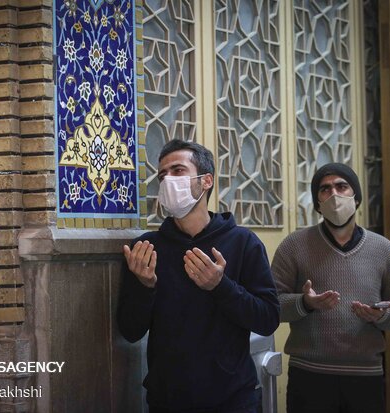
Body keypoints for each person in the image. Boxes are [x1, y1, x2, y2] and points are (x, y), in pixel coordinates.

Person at [118, 139, 280, 413]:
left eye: (178, 170)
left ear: (206, 181)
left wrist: (220, 286)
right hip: (167, 400)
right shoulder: (146, 249)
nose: (168, 179)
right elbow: (130, 331)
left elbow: (267, 319)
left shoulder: (243, 243)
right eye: (162, 175)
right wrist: (145, 287)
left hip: (233, 399)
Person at [271, 163, 390, 413]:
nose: (334, 195)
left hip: (365, 376)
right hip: (309, 375)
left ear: (356, 197)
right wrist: (305, 303)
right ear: (317, 203)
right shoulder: (294, 246)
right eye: (325, 189)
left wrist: (382, 315)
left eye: (342, 186)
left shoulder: (383, 249)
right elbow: (271, 306)